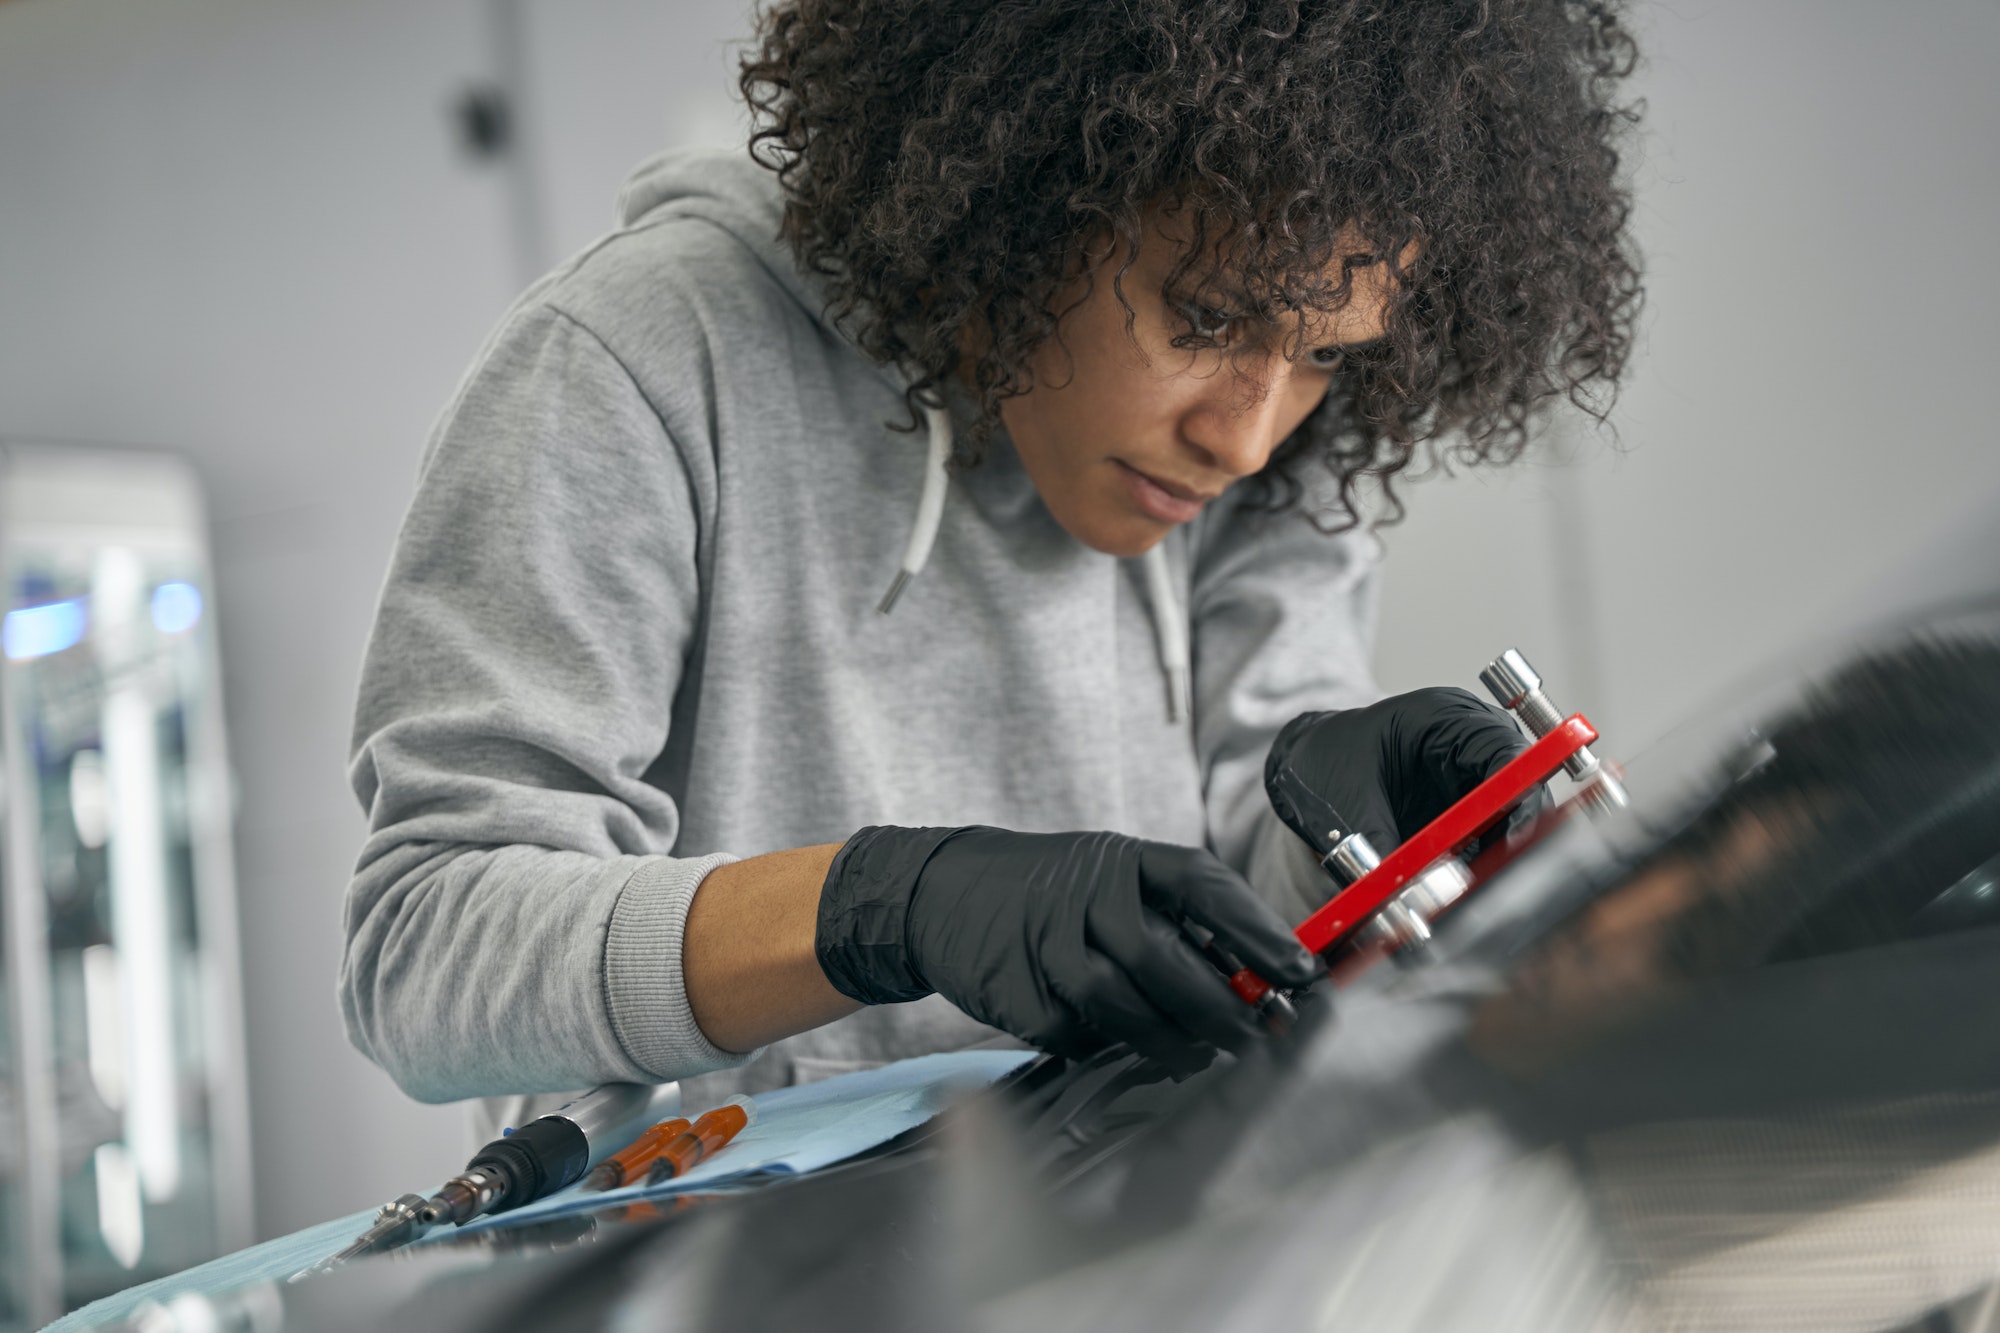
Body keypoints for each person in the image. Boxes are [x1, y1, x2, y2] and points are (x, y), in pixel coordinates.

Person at [339, 0, 1643, 1108]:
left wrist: (1367, 834)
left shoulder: (1268, 445)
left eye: (1324, 354)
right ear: (1030, 195)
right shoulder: (638, 363)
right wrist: (874, 910)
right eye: (1202, 316)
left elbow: (1241, 914)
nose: (1245, 433)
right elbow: (426, 949)